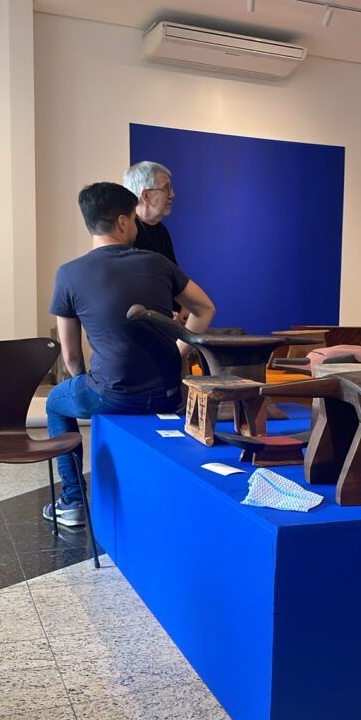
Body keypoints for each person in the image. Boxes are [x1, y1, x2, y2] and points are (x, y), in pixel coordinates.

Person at [44, 182, 215, 527]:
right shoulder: (158, 263)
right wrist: (179, 348)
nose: (136, 227)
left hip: (112, 393)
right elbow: (205, 308)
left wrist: (89, 388)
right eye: (134, 221)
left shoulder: (69, 274)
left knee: (55, 403)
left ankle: (73, 501)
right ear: (123, 222)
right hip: (168, 393)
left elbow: (72, 357)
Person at [123, 160, 178, 263]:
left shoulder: (162, 230)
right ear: (146, 196)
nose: (172, 195)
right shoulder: (125, 231)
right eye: (166, 189)